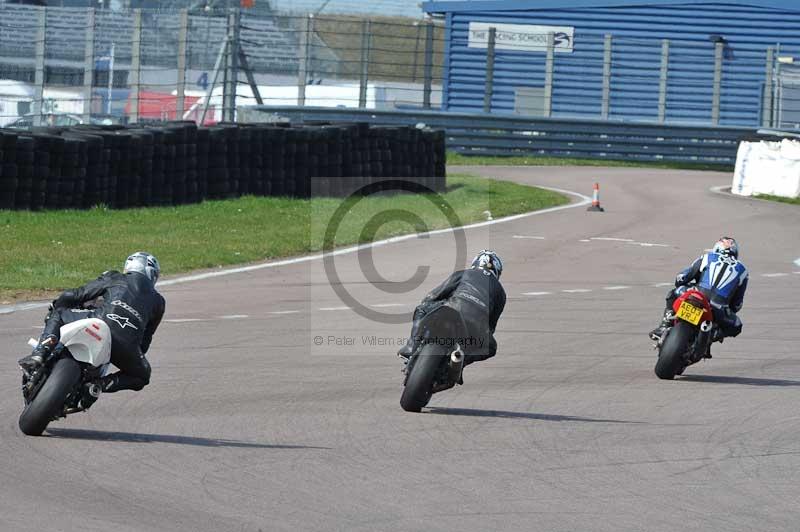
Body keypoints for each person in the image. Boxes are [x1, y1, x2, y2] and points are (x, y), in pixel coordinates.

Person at [19, 252, 165, 407]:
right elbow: (145, 341)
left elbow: (75, 294)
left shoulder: (115, 277)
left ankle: (39, 354)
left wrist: (58, 304)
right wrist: (133, 354)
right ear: (153, 275)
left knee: (59, 314)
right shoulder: (159, 302)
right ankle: (98, 385)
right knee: (142, 375)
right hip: (125, 344)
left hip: (99, 320)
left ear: (128, 266)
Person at [398, 250, 506, 376]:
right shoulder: (500, 292)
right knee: (491, 348)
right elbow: (491, 326)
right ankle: (461, 361)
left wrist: (437, 305)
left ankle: (412, 346)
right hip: (476, 324)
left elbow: (432, 296)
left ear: (475, 263)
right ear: (497, 271)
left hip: (453, 309)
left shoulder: (463, 273)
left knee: (422, 308)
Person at [649, 237, 748, 355]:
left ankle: (664, 326)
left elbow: (683, 277)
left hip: (696, 293)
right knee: (736, 325)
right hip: (718, 307)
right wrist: (727, 308)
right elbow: (737, 304)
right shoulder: (743, 271)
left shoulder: (707, 257)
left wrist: (682, 284)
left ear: (716, 248)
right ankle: (712, 335)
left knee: (673, 293)